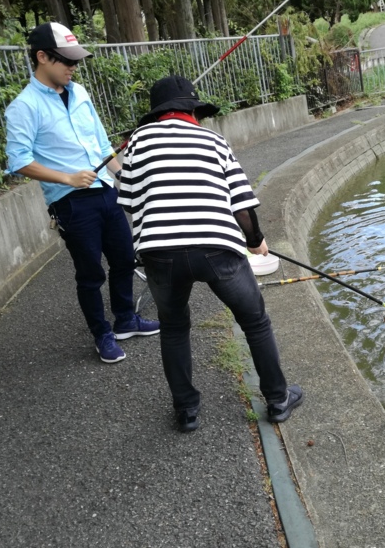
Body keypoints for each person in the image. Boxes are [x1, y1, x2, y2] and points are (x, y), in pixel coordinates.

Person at [117, 75, 303, 433]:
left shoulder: (137, 141)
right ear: (192, 110)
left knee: (173, 327)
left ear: (157, 113)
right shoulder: (213, 140)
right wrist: (255, 241)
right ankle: (278, 400)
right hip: (217, 247)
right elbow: (243, 206)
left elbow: (129, 202)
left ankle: (187, 411)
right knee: (255, 322)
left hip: (160, 252)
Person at [4, 22, 159, 364]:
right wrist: (67, 178)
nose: (73, 66)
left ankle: (125, 320)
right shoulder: (24, 106)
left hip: (105, 191)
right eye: (66, 60)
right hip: (71, 202)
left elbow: (101, 144)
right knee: (90, 273)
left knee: (123, 259)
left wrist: (126, 178)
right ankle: (102, 334)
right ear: (42, 57)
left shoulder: (82, 92)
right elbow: (19, 161)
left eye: (76, 60)